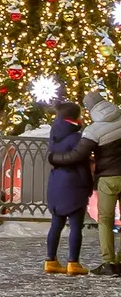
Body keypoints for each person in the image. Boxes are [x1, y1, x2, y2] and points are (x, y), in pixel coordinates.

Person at [73, 91, 121, 275]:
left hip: (108, 178)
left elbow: (79, 154)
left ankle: (108, 262)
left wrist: (56, 157)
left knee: (105, 221)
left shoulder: (93, 130)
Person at [44, 100, 92, 275]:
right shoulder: (77, 138)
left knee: (56, 224)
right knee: (75, 225)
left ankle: (50, 260)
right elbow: (82, 166)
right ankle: (73, 262)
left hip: (56, 182)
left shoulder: (54, 134)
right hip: (73, 184)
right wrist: (88, 185)